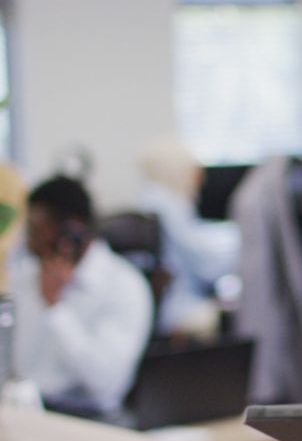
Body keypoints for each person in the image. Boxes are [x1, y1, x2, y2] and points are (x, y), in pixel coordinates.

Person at [8, 176, 152, 415]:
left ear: (71, 234)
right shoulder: (28, 275)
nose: (29, 244)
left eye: (36, 232)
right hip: (28, 410)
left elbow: (104, 383)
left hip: (90, 419)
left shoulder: (124, 286)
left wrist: (55, 308)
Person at [136, 137, 239, 335]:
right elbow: (205, 265)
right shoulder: (167, 205)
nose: (200, 179)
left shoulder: (152, 199)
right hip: (177, 306)